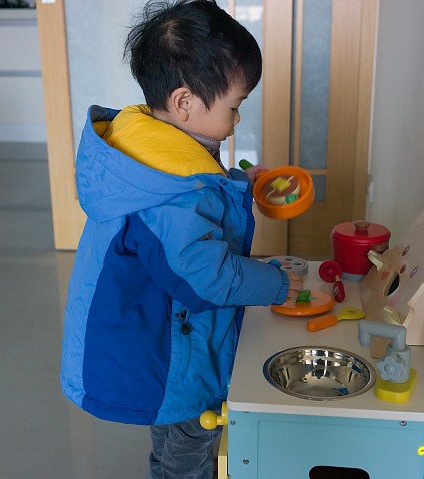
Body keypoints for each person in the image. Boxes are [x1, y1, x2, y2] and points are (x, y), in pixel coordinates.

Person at [60, 1, 302, 477]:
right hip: (167, 347)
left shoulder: (151, 145)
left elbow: (201, 195)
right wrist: (276, 284)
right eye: (234, 106)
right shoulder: (172, 193)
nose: (237, 119)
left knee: (172, 435)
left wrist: (242, 182)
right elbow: (206, 277)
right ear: (185, 102)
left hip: (156, 332)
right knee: (190, 446)